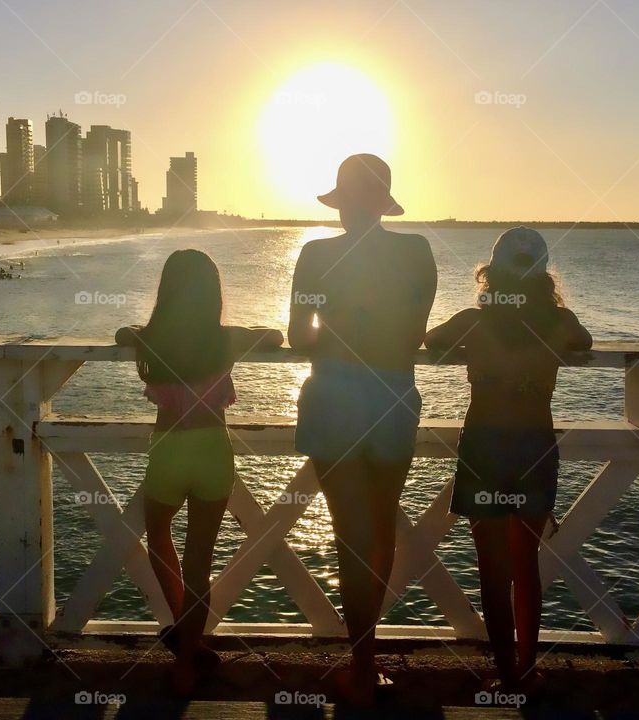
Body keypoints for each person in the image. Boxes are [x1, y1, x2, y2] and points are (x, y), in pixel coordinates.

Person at [288, 154, 437, 705]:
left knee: (350, 532)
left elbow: (299, 337)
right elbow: (414, 334)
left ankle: (360, 663)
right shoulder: (417, 252)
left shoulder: (315, 255)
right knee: (380, 529)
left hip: (332, 395)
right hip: (393, 394)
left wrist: (338, 336)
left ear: (343, 202)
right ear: (384, 203)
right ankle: (367, 662)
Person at [425, 227, 592, 695]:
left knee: (493, 572)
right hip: (533, 448)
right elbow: (584, 339)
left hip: (484, 448)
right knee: (526, 567)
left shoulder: (472, 323)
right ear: (543, 278)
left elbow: (433, 337)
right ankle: (527, 667)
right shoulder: (560, 323)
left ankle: (507, 675)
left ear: (491, 275)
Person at [116, 249, 283, 694]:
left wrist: (138, 330)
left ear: (166, 291)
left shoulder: (153, 339)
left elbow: (121, 332)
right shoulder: (225, 339)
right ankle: (188, 659)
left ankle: (181, 629)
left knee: (158, 539)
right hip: (213, 451)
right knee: (199, 563)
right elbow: (275, 336)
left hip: (169, 450)